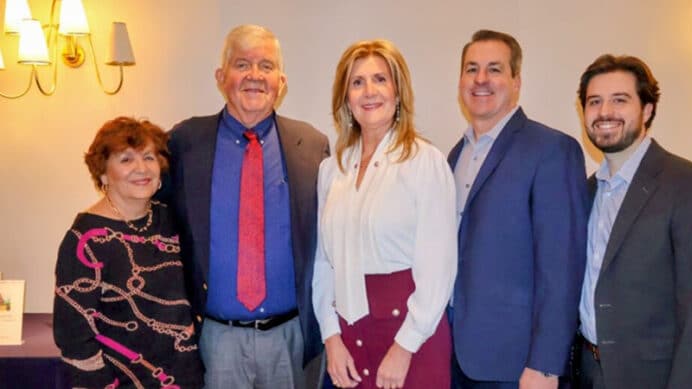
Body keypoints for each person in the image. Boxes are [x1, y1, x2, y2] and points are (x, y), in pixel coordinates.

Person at [162, 25, 329, 388]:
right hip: (215, 338)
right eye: (242, 64)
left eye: (266, 66)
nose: (255, 75)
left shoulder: (313, 146)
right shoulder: (184, 143)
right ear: (222, 77)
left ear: (281, 82)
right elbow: (157, 227)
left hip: (291, 337)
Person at [573, 54, 692, 389]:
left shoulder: (690, 185)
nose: (605, 113)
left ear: (646, 110)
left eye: (620, 100)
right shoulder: (585, 192)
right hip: (590, 374)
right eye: (595, 102)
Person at [448, 30, 588, 389]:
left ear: (516, 82)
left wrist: (544, 364)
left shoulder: (551, 150)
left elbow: (563, 267)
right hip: (455, 356)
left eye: (494, 69)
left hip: (518, 366)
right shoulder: (453, 156)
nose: (481, 79)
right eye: (472, 69)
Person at [313, 39, 457, 389]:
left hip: (411, 337)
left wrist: (405, 346)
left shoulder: (424, 162)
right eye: (357, 82)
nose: (369, 91)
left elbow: (438, 269)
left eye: (380, 79)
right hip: (347, 339)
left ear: (398, 91)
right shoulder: (332, 170)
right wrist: (331, 338)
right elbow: (322, 263)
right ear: (345, 97)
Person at [53, 117, 204, 389]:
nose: (141, 168)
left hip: (185, 377)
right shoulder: (85, 238)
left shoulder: (172, 219)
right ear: (102, 172)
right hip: (119, 381)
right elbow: (73, 333)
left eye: (149, 157)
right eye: (126, 160)